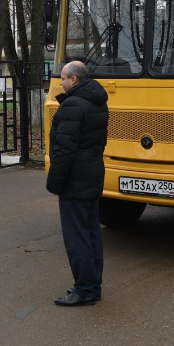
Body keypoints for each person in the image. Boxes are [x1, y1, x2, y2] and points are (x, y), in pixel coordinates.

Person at [46, 60, 109, 307]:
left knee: (77, 237)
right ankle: (93, 286)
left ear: (74, 80)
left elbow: (64, 151)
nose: (60, 82)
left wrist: (54, 183)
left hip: (75, 181)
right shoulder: (98, 101)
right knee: (92, 233)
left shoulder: (72, 106)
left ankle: (84, 289)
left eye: (63, 78)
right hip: (92, 176)